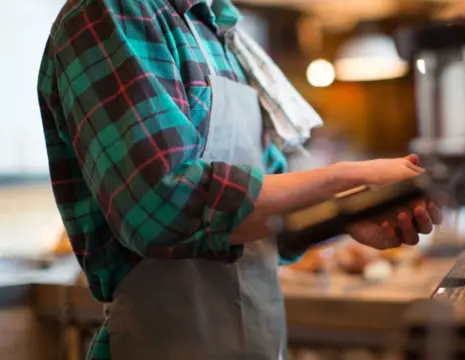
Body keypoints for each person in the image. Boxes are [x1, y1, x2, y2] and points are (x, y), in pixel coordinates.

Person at [36, 0, 440, 359]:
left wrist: (348, 213)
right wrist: (342, 178)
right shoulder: (110, 13)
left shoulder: (220, 31)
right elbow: (161, 207)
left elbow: (270, 214)